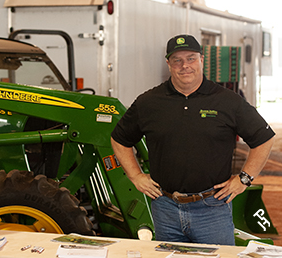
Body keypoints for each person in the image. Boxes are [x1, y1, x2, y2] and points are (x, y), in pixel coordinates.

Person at [110, 34, 275, 245]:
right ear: (168, 64)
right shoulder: (149, 103)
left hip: (212, 207)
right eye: (177, 60)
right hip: (165, 207)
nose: (184, 66)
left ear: (201, 60)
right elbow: (120, 139)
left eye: (191, 58)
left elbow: (264, 138)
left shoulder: (228, 101)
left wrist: (244, 178)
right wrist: (135, 176)